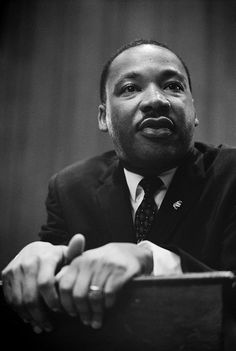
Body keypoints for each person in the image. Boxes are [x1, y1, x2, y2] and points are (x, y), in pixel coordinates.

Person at [2, 38, 236, 335]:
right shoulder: (71, 188)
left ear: (194, 110)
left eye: (173, 86)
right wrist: (40, 258)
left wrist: (147, 258)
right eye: (130, 88)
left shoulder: (231, 174)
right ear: (104, 118)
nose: (156, 100)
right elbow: (54, 293)